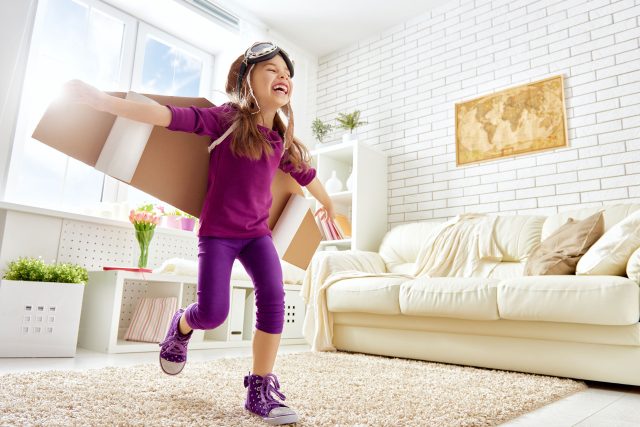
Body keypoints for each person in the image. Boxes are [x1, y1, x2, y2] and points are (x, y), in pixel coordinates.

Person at [64, 41, 335, 425]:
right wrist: (103, 101)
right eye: (272, 70)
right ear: (247, 81)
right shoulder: (227, 120)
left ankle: (259, 388)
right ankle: (181, 324)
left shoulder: (282, 141)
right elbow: (166, 116)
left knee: (273, 297)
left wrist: (328, 203)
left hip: (258, 236)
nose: (283, 78)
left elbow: (307, 176)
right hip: (218, 235)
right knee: (213, 312)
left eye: (287, 74)